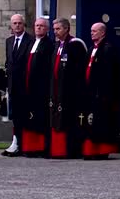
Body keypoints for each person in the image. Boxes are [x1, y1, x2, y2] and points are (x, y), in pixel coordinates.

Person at [80, 23, 120, 160]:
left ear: (102, 33)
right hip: (90, 93)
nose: (92, 33)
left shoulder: (108, 49)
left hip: (102, 94)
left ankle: (101, 151)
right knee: (90, 122)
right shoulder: (91, 48)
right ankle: (90, 150)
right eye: (91, 31)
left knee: (101, 123)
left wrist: (105, 93)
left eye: (95, 31)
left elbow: (109, 74)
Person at [0, 14, 33, 157]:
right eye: (14, 23)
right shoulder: (9, 41)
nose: (17, 25)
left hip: (25, 85)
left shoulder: (31, 40)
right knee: (14, 116)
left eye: (19, 23)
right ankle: (15, 142)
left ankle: (21, 144)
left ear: (24, 25)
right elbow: (9, 63)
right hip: (12, 85)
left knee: (23, 116)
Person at [49, 18, 87, 159]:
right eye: (54, 29)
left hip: (70, 92)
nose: (55, 32)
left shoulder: (75, 45)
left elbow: (78, 70)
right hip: (57, 90)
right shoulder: (57, 45)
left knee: (70, 121)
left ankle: (71, 150)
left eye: (58, 29)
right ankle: (57, 150)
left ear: (66, 29)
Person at [19, 18, 54, 157]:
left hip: (41, 88)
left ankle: (41, 148)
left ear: (46, 29)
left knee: (40, 119)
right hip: (28, 87)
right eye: (37, 26)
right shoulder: (30, 43)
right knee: (29, 118)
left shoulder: (49, 45)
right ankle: (29, 147)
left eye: (41, 26)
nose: (38, 28)